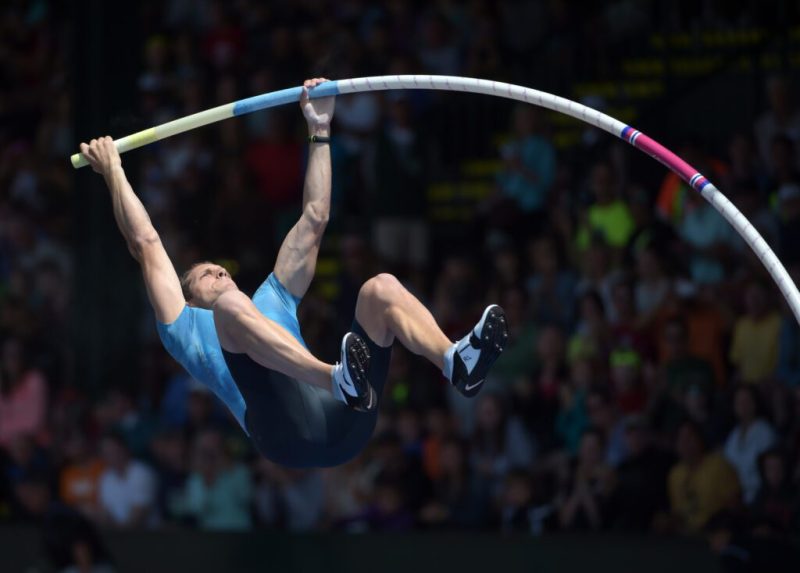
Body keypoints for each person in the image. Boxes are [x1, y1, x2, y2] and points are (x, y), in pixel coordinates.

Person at [79, 78, 508, 469]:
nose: (219, 272)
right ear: (188, 297)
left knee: (381, 289)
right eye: (205, 275)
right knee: (230, 309)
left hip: (347, 422)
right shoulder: (184, 325)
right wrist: (113, 170)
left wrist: (319, 129)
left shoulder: (272, 297)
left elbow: (315, 216)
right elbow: (146, 242)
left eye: (219, 268)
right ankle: (335, 378)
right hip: (286, 435)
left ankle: (455, 361)